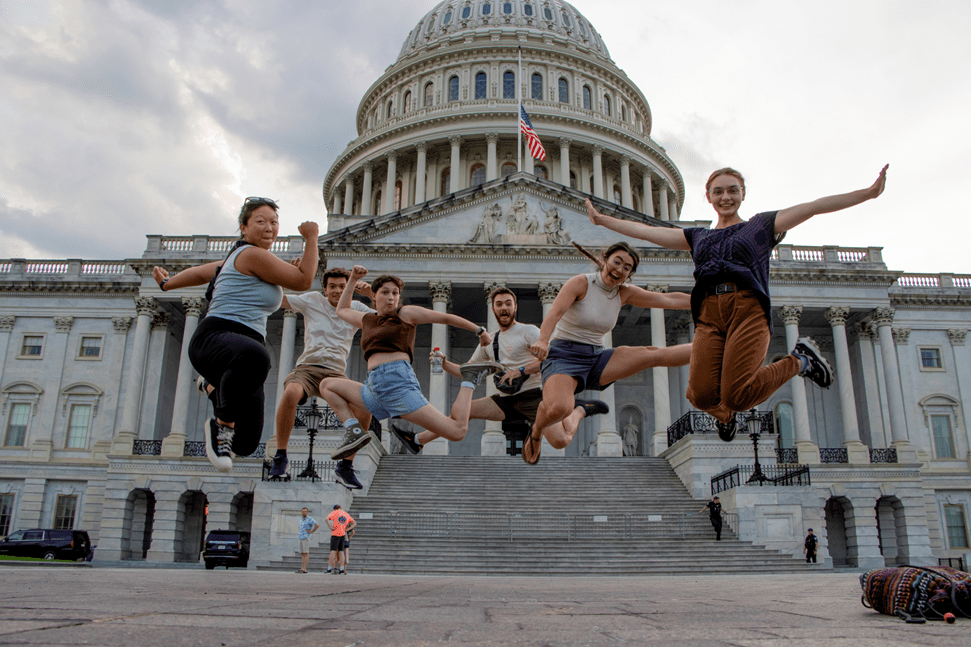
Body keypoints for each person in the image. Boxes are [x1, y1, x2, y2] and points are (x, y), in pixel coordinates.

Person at [586, 165, 888, 441]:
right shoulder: (699, 237)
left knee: (738, 395)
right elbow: (649, 232)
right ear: (708, 197)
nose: (725, 197)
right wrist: (602, 221)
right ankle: (725, 417)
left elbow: (812, 208)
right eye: (718, 191)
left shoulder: (759, 226)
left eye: (732, 190)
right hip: (709, 315)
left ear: (742, 194)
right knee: (700, 396)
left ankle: (799, 361)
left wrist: (869, 193)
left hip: (747, 309)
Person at [152, 197, 319, 471]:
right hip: (217, 336)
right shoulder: (250, 254)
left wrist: (167, 284)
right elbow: (303, 280)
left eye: (274, 222)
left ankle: (211, 387)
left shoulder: (238, 259)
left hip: (243, 348)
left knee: (246, 443)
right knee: (257, 357)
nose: (269, 227)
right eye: (261, 221)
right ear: (244, 227)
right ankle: (221, 427)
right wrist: (311, 237)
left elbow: (200, 273)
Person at [526, 242, 693, 464]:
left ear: (629, 275)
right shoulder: (580, 283)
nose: (620, 269)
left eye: (627, 267)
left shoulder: (624, 293)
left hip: (596, 357)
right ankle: (538, 429)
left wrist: (706, 300)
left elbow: (667, 299)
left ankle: (714, 350)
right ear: (605, 259)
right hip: (563, 356)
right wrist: (543, 340)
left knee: (652, 354)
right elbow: (554, 314)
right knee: (560, 435)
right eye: (617, 262)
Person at [389, 286, 609, 455]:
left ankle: (578, 410)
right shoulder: (489, 342)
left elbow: (555, 360)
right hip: (506, 399)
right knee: (463, 411)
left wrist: (522, 371)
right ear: (493, 308)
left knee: (560, 441)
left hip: (536, 397)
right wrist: (445, 363)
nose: (504, 308)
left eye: (508, 303)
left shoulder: (528, 331)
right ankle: (417, 441)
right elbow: (467, 371)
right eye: (499, 304)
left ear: (515, 307)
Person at [319, 266, 503, 450]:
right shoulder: (367, 319)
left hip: (400, 385)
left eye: (395, 293)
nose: (391, 297)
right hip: (374, 389)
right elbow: (342, 309)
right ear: (373, 296)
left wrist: (479, 330)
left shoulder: (405, 314)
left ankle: (469, 380)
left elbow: (445, 318)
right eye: (385, 292)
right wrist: (352, 279)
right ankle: (354, 429)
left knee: (456, 431)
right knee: (327, 385)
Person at [267, 267, 375, 489]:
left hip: (336, 372)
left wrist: (372, 295)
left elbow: (384, 320)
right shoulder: (313, 300)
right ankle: (280, 456)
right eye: (332, 287)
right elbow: (280, 300)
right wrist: (287, 274)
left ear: (350, 289)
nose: (337, 291)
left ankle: (345, 467)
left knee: (366, 405)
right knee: (290, 394)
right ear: (325, 289)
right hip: (308, 368)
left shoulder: (355, 308)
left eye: (343, 287)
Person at [325, 504, 355, 575]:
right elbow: (354, 523)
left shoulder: (335, 512)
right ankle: (341, 568)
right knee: (341, 552)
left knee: (333, 551)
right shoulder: (345, 513)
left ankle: (329, 568)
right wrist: (347, 529)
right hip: (343, 534)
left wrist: (330, 527)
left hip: (335, 533)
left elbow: (326, 519)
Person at [296, 507, 319, 573]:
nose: (304, 512)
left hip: (306, 537)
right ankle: (302, 568)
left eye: (305, 511)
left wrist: (311, 531)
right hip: (301, 537)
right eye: (303, 511)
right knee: (302, 553)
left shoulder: (309, 519)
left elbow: (317, 525)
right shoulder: (301, 519)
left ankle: (304, 568)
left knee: (306, 553)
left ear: (307, 512)